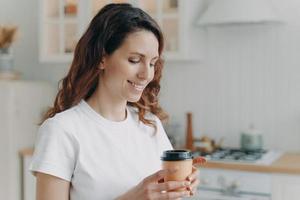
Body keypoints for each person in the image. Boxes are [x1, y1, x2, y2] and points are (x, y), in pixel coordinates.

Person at [29, 3, 205, 200]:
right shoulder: (62, 130)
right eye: (134, 60)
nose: (146, 74)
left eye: (152, 63)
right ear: (101, 59)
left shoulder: (150, 125)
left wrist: (181, 182)